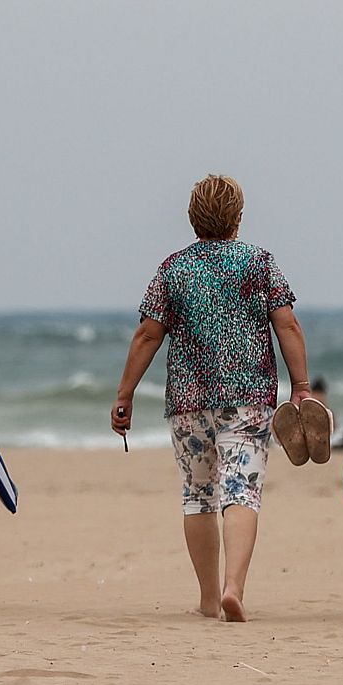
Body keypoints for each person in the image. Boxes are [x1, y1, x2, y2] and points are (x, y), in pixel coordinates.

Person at [111, 175, 314, 623]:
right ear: (238, 218)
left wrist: (125, 393)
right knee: (242, 491)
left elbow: (148, 334)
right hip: (248, 400)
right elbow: (288, 326)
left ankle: (207, 599)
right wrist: (301, 387)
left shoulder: (173, 268)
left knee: (198, 495)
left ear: (191, 218)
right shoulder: (259, 263)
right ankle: (233, 588)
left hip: (188, 403)